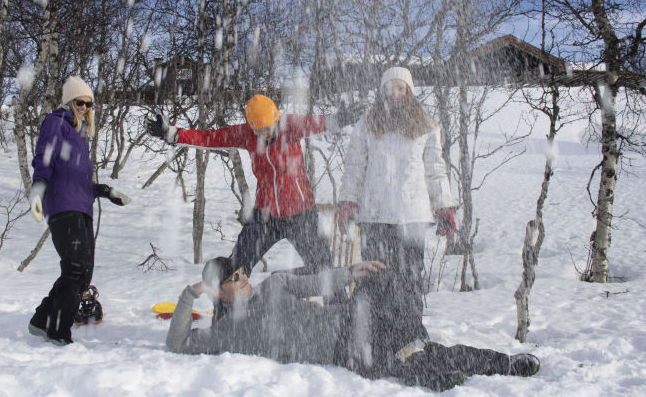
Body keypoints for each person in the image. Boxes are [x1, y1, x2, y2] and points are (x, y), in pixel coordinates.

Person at [166, 256, 540, 392]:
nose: (244, 278)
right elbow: (177, 344)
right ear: (219, 292)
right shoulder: (228, 334)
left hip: (349, 320)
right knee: (423, 363)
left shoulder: (275, 284)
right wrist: (189, 293)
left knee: (384, 279)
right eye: (233, 278)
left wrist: (349, 272)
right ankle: (489, 366)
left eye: (242, 271)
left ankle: (490, 361)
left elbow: (316, 283)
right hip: (344, 351)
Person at [146, 94, 360, 276]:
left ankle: (340, 320)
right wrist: (172, 134)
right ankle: (226, 320)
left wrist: (340, 119)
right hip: (264, 217)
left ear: (276, 119)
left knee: (325, 273)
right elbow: (210, 137)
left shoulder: (290, 126)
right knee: (234, 272)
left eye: (268, 128)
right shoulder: (247, 134)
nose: (264, 134)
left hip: (302, 216)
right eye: (259, 131)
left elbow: (318, 123)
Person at [337, 66, 457, 373]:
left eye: (400, 88)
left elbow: (436, 169)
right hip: (375, 216)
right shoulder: (367, 124)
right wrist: (348, 201)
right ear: (382, 91)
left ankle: (412, 338)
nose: (394, 93)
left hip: (412, 217)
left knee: (409, 280)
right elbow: (354, 166)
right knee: (374, 279)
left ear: (410, 91)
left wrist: (444, 206)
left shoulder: (426, 125)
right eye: (389, 88)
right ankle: (375, 341)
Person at [27, 75, 132, 345]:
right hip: (63, 207)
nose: (84, 107)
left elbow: (81, 183)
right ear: (69, 101)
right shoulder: (56, 123)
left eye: (88, 103)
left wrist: (106, 192)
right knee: (76, 270)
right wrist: (38, 188)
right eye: (80, 102)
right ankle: (58, 332)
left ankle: (42, 319)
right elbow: (44, 158)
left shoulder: (79, 138)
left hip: (81, 207)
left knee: (82, 273)